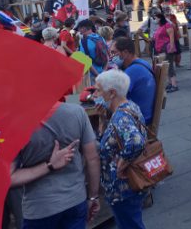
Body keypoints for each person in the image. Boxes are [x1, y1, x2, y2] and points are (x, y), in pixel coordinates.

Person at [11, 100, 101, 228]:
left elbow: (9, 177)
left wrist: (48, 166)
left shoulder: (16, 122)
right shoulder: (77, 112)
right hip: (75, 201)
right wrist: (93, 196)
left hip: (40, 208)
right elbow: (92, 158)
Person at [93, 70, 147, 229]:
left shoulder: (120, 117)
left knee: (130, 224)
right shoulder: (129, 105)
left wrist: (121, 164)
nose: (96, 94)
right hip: (129, 185)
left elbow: (136, 142)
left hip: (123, 187)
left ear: (111, 93)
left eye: (98, 90)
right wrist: (103, 119)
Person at [110, 37, 157, 126]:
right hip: (146, 115)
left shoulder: (132, 71)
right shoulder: (142, 63)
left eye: (114, 52)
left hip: (138, 121)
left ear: (126, 52)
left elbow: (115, 97)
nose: (112, 56)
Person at [152, 12, 178, 93]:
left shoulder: (167, 25)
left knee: (169, 66)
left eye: (156, 18)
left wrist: (171, 46)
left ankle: (174, 85)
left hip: (166, 48)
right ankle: (170, 83)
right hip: (161, 49)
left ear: (160, 18)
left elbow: (171, 36)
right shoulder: (160, 26)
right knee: (166, 66)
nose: (155, 20)